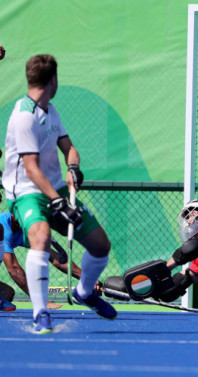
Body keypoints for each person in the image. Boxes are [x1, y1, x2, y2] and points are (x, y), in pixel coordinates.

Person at [2, 54, 116, 334]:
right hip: (27, 193)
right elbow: (31, 168)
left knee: (101, 245)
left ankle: (84, 292)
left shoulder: (51, 111)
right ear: (53, 80)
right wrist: (57, 201)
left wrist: (73, 167)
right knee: (40, 238)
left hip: (55, 188)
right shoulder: (24, 117)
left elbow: (69, 147)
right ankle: (41, 313)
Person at [0, 211, 95, 311]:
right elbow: (13, 268)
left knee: (7, 293)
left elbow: (57, 259)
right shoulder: (3, 225)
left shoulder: (29, 229)